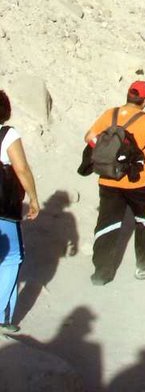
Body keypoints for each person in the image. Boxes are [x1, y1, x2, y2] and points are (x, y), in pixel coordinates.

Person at [84, 80, 145, 285]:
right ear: (144, 100)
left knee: (107, 223)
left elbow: (89, 137)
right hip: (138, 182)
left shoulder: (111, 114)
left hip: (108, 179)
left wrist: (109, 153)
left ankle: (101, 273)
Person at [0, 90, 40, 333]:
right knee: (12, 257)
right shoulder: (7, 134)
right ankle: (3, 315)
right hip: (3, 208)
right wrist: (33, 198)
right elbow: (21, 168)